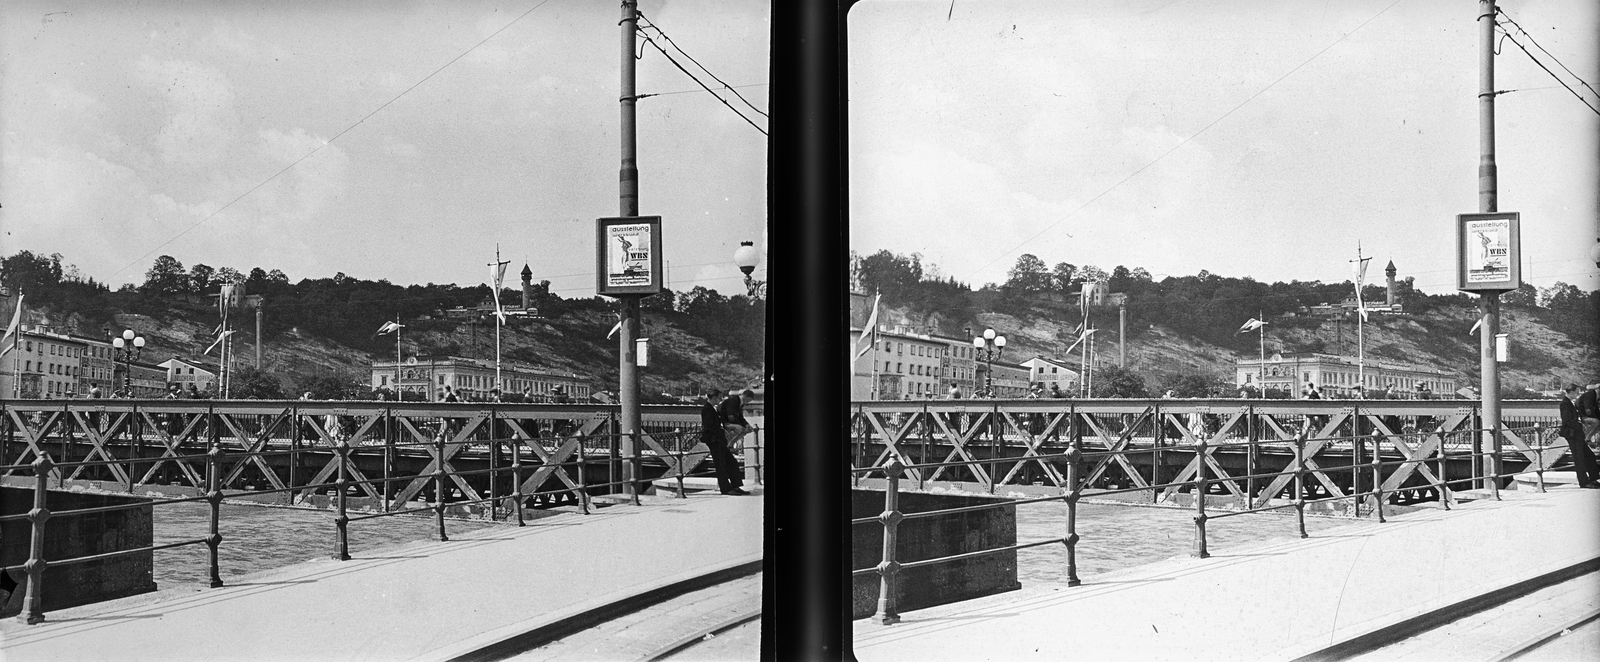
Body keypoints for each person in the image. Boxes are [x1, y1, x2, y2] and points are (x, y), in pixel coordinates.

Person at [702, 389, 746, 495]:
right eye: (719, 397)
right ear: (714, 398)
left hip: (720, 440)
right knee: (720, 465)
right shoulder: (707, 409)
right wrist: (720, 433)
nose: (720, 400)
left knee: (731, 462)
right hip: (715, 440)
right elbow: (709, 426)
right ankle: (725, 488)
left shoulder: (713, 409)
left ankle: (735, 485)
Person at [1558, 384, 1599, 488]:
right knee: (1579, 459)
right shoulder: (1565, 404)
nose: (1578, 394)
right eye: (1576, 392)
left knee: (1589, 456)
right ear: (1571, 392)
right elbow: (1567, 420)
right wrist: (1578, 426)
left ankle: (1593, 478)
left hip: (1578, 434)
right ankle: (1584, 482)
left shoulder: (1570, 403)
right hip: (1573, 434)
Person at [1578, 382, 1600, 448]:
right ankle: (1586, 438)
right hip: (1582, 416)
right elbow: (1588, 409)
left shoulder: (1595, 396)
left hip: (1586, 416)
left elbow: (1596, 410)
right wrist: (1596, 417)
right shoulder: (1590, 395)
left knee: (1598, 422)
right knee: (1596, 422)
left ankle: (1588, 438)